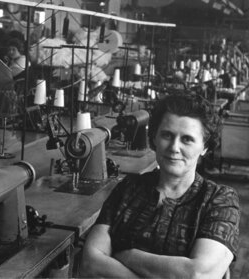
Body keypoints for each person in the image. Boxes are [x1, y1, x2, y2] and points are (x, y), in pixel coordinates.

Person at [79, 93, 240, 278]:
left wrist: (126, 255)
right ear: (154, 138)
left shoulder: (219, 200)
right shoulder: (129, 188)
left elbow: (197, 274)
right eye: (167, 135)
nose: (174, 147)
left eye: (187, 139)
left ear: (205, 147)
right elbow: (91, 263)